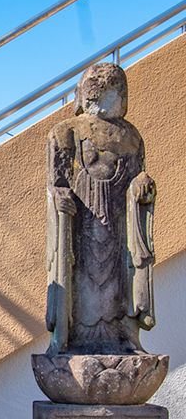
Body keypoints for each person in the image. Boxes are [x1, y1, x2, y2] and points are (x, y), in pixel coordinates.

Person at [46, 62, 155, 355]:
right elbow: (54, 184)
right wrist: (58, 197)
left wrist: (141, 185)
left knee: (120, 283)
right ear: (81, 94)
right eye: (95, 85)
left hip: (119, 228)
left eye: (112, 87)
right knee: (79, 282)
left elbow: (137, 177)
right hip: (81, 227)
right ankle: (71, 340)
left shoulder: (132, 138)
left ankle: (123, 338)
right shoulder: (65, 132)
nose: (102, 90)